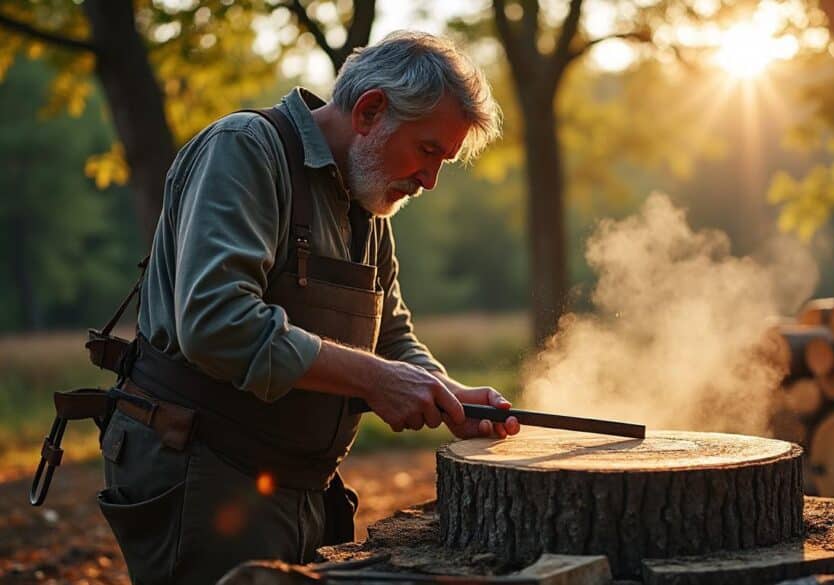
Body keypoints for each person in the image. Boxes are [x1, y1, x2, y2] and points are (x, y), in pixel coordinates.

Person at [96, 31, 520, 584]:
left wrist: (445, 390)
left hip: (298, 484)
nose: (431, 180)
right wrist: (375, 381)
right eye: (429, 150)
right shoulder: (245, 149)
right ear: (370, 110)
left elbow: (389, 336)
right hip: (202, 474)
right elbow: (215, 323)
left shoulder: (369, 202)